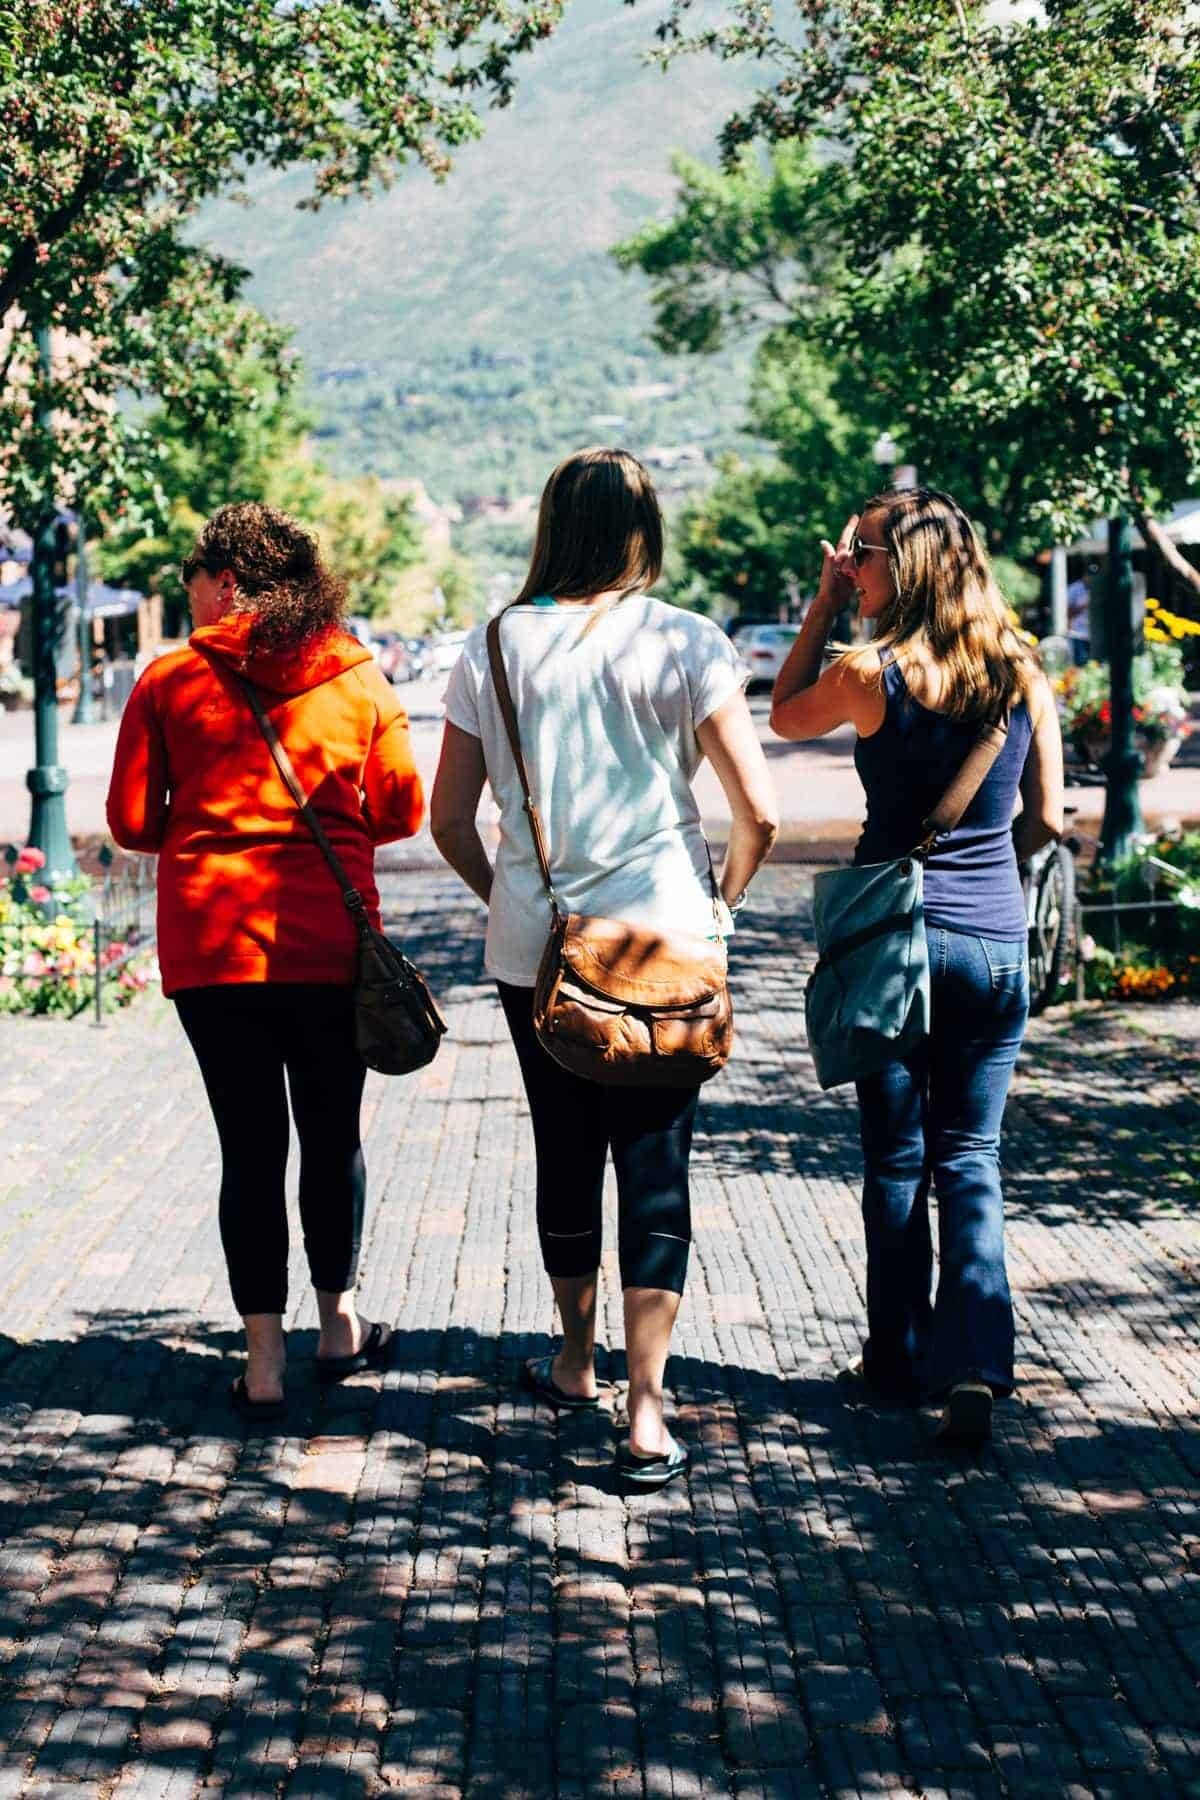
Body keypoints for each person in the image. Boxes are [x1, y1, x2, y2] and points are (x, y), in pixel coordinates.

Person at [430, 447, 778, 1487]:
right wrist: (720, 904)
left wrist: (509, 897)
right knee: (658, 1165)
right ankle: (648, 1414)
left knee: (566, 1148)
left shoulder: (493, 645)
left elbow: (449, 818)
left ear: (551, 525)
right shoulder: (687, 641)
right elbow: (759, 813)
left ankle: (576, 1361)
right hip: (666, 938)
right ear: (642, 530)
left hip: (538, 948)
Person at [106, 502, 424, 1420]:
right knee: (333, 1135)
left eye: (194, 591)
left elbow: (132, 822)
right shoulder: (357, 674)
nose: (192, 607)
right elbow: (400, 809)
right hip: (330, 943)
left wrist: (210, 826)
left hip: (213, 947)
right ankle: (339, 1327)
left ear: (229, 582)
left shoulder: (170, 679)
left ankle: (262, 1364)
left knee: (248, 1148)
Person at [771, 488, 1064, 1449]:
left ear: (904, 566)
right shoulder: (1022, 669)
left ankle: (895, 1364)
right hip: (993, 943)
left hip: (894, 947)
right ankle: (973, 1363)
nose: (849, 566)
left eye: (859, 553)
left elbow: (783, 715)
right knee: (971, 1157)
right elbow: (1046, 818)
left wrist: (821, 606)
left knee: (897, 1160)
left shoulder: (871, 673)